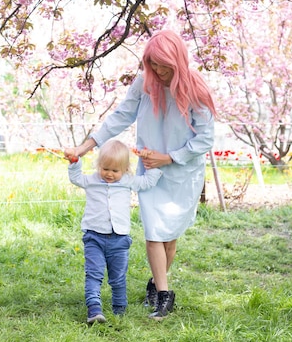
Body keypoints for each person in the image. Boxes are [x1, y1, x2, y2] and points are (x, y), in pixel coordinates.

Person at [65, 29, 217, 320]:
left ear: (178, 61)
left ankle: (155, 282)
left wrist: (170, 157)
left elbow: (205, 140)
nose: (158, 71)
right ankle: (164, 295)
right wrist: (85, 147)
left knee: (169, 237)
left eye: (164, 65)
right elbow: (120, 116)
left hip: (182, 172)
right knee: (154, 233)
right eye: (153, 63)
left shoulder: (195, 89)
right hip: (150, 170)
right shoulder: (144, 84)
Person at [67, 139, 163, 324]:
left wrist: (151, 163)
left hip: (119, 239)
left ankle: (119, 308)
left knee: (118, 277)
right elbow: (76, 178)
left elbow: (148, 182)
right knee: (93, 274)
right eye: (105, 169)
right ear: (98, 165)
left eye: (115, 171)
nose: (109, 174)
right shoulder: (92, 180)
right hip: (94, 236)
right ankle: (94, 309)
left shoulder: (127, 181)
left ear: (125, 169)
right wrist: (74, 162)